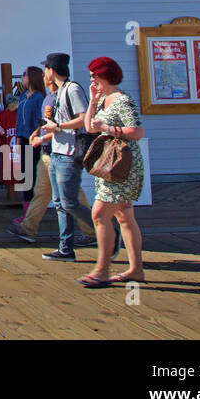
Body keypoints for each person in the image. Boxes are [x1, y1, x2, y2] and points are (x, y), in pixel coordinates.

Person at [77, 56, 146, 287]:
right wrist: (94, 101)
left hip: (120, 164)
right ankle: (136, 269)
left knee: (99, 215)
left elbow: (136, 131)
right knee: (124, 216)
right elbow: (88, 127)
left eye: (93, 76)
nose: (91, 80)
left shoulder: (121, 100)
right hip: (110, 164)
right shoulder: (105, 100)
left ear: (104, 75)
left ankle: (102, 270)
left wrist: (107, 128)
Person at [7, 83, 97, 244]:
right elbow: (45, 123)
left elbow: (62, 125)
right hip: (48, 152)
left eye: (46, 70)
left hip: (63, 151)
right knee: (42, 191)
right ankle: (28, 228)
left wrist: (42, 138)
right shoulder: (49, 97)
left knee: (72, 194)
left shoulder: (65, 94)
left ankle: (93, 232)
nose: (44, 75)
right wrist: (37, 132)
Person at [38, 52, 94, 261]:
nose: (45, 73)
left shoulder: (72, 89)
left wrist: (58, 126)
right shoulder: (59, 92)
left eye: (46, 69)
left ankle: (107, 229)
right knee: (60, 203)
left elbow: (84, 118)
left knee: (69, 203)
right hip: (56, 152)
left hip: (69, 154)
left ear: (52, 71)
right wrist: (47, 134)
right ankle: (65, 247)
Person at [14, 68, 46, 206]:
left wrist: (37, 134)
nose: (22, 78)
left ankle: (32, 208)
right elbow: (19, 120)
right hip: (23, 139)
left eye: (24, 75)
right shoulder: (23, 96)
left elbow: (41, 119)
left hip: (34, 140)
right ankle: (27, 209)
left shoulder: (39, 97)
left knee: (32, 173)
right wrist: (17, 139)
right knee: (25, 173)